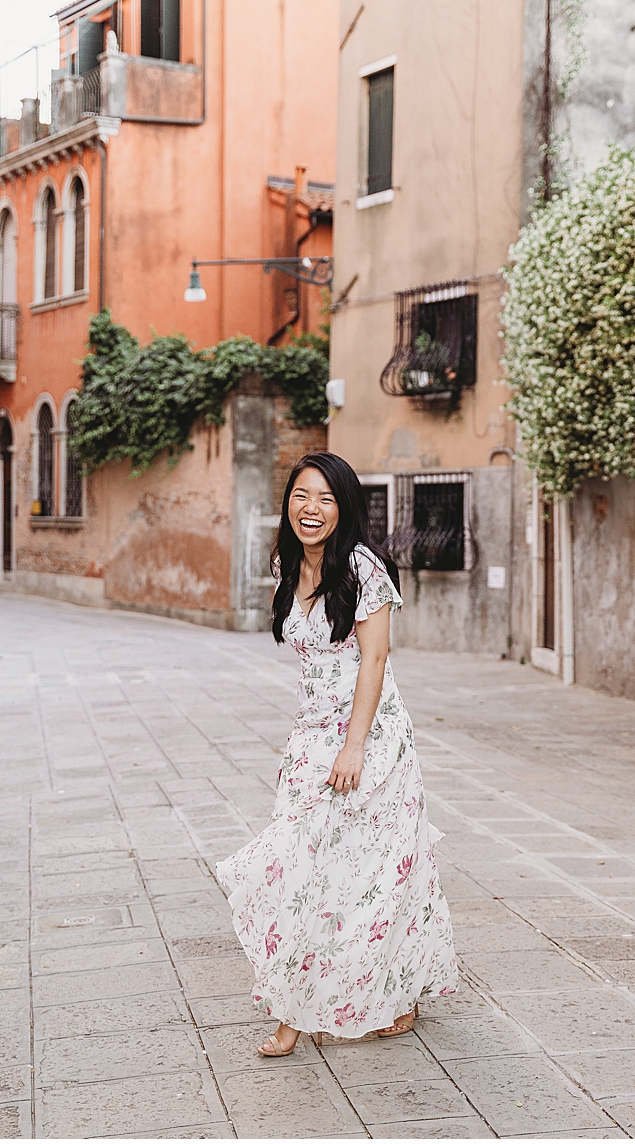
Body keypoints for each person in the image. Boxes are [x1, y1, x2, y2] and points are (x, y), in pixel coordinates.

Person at [213, 451, 460, 1057]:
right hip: (311, 738)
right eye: (301, 496)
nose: (311, 509)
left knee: (375, 875)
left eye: (325, 498)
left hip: (371, 741)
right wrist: (313, 743)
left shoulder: (363, 569)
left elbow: (375, 661)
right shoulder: (286, 564)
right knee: (301, 869)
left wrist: (353, 747)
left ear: (344, 505)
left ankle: (388, 997)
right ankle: (297, 1008)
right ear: (288, 503)